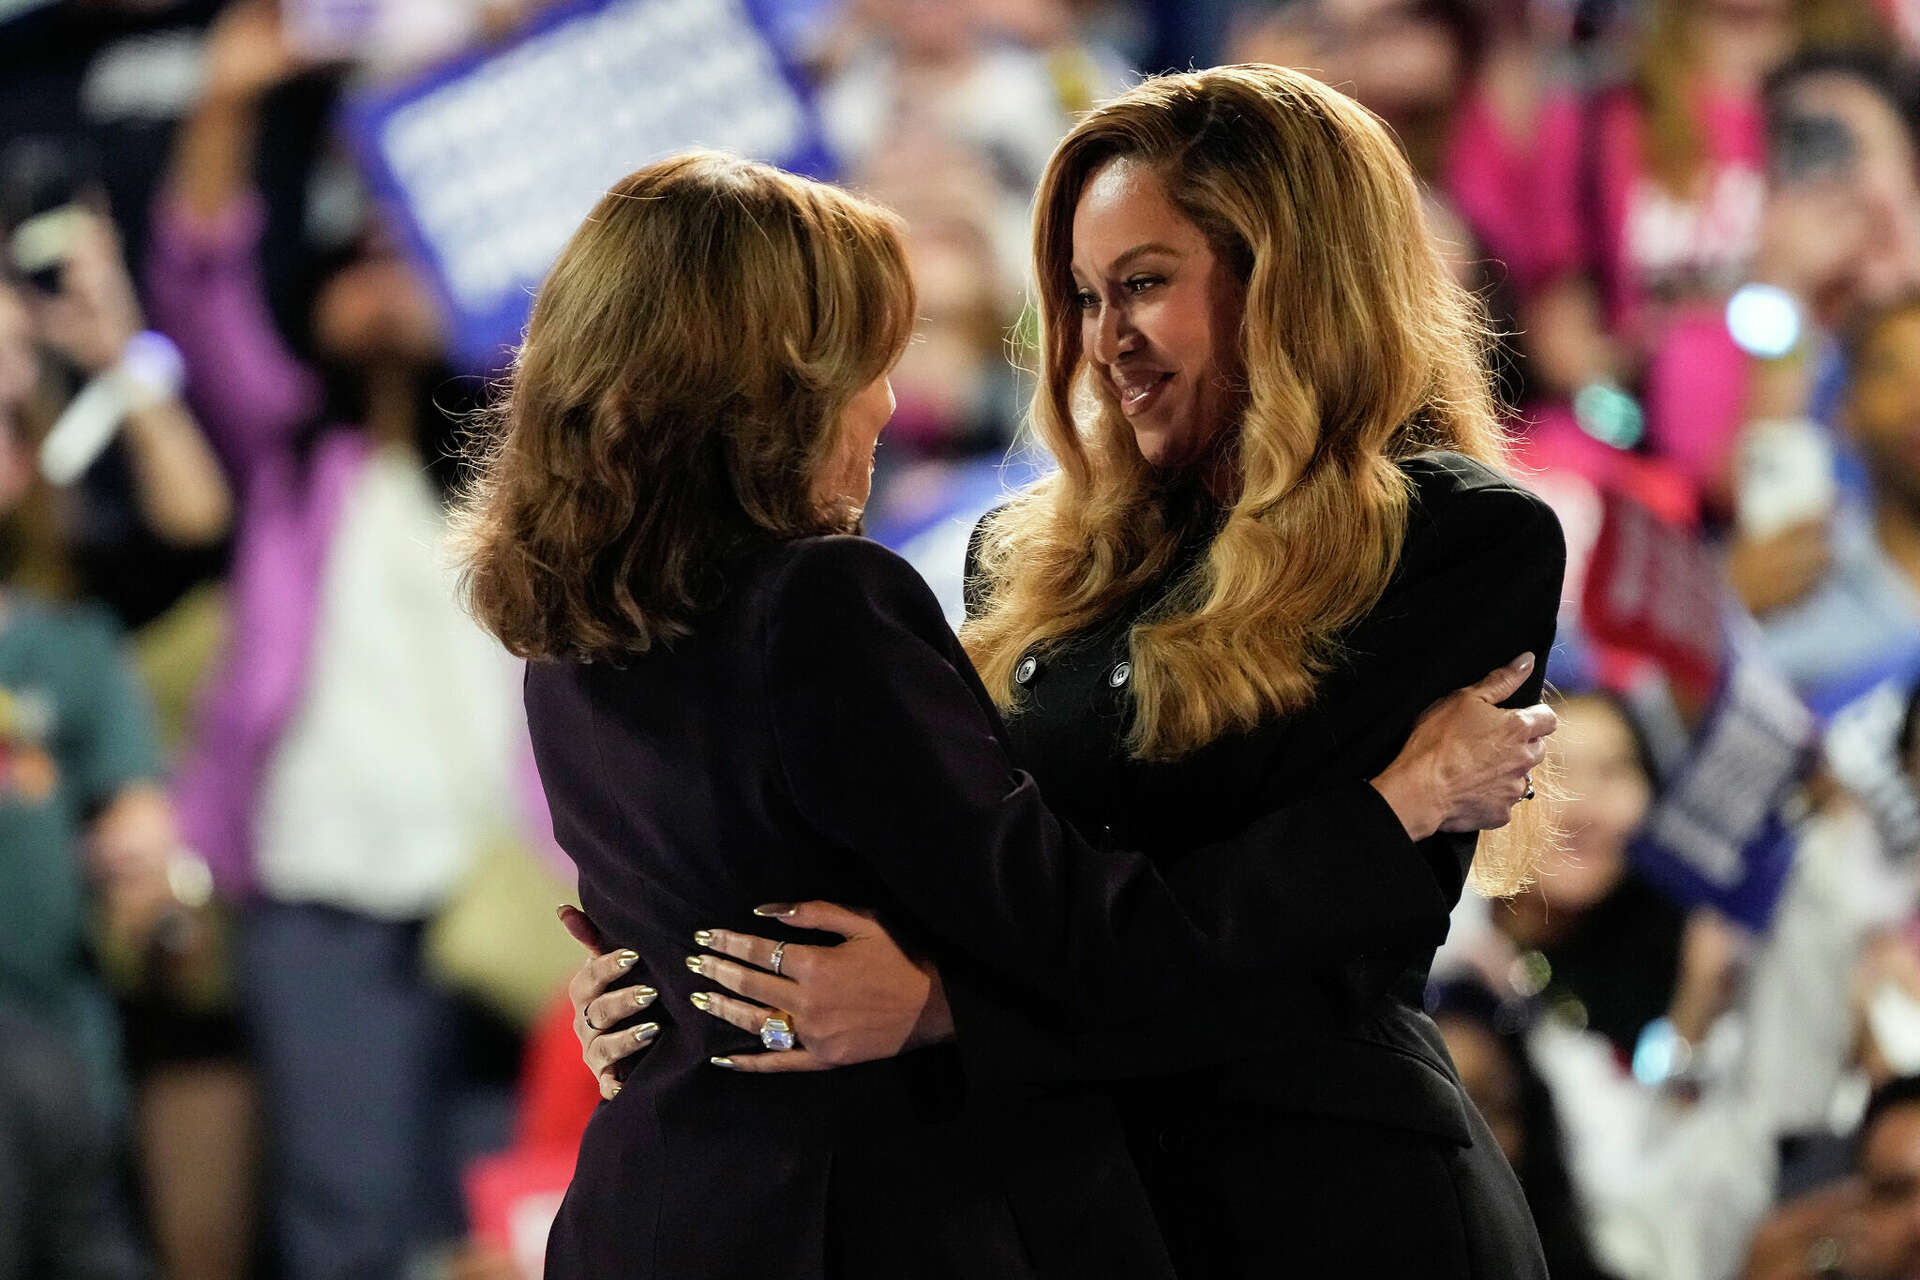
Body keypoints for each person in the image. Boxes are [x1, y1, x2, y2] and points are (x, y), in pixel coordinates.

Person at [546, 65, 1565, 1277]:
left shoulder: (1457, 537)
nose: (1101, 341)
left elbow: (1325, 960)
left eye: (1143, 284)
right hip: (1061, 1206)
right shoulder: (1018, 557)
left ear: (1293, 282)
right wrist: (673, 986)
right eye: (1081, 296)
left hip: (1324, 1202)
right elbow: (957, 878)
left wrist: (943, 1010)